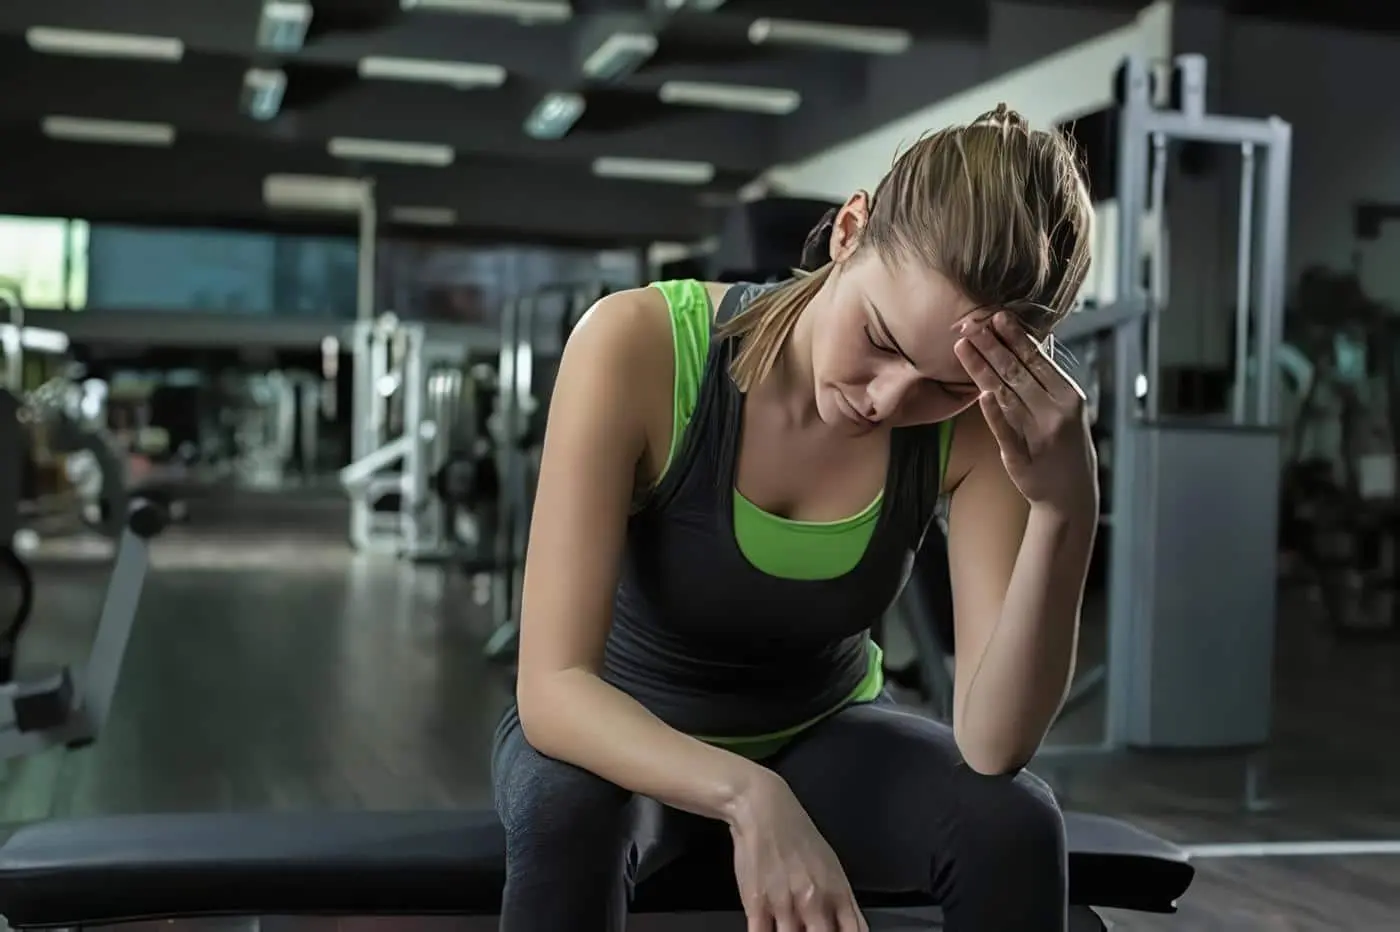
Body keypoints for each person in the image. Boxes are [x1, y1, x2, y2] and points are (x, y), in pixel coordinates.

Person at [493, 104, 1098, 931]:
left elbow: (994, 742)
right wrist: (747, 796)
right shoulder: (635, 344)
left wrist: (1065, 507)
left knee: (1015, 821)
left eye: (946, 385)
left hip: (821, 734)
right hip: (614, 735)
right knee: (570, 821)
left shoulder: (978, 428)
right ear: (850, 230)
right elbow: (554, 689)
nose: (888, 401)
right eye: (881, 339)